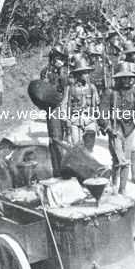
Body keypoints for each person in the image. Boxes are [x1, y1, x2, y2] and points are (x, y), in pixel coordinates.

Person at [99, 62, 135, 194]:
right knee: (117, 159)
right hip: (115, 129)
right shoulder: (110, 92)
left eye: (129, 77)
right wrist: (108, 128)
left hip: (129, 129)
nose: (127, 80)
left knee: (126, 161)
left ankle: (122, 189)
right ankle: (114, 184)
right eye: (124, 78)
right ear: (118, 79)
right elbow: (102, 114)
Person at [40, 45, 69, 176]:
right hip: (53, 108)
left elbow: (68, 89)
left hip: (65, 106)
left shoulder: (64, 72)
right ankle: (57, 168)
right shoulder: (46, 72)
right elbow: (42, 92)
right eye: (58, 58)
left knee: (67, 137)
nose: (60, 61)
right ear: (53, 58)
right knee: (55, 138)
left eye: (62, 58)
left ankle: (65, 165)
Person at [63, 58, 99, 152]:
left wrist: (98, 121)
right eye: (84, 73)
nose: (87, 75)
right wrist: (67, 120)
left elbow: (96, 105)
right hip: (75, 121)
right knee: (77, 148)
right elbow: (65, 104)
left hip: (89, 120)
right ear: (78, 75)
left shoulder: (92, 88)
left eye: (87, 73)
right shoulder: (70, 88)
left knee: (89, 148)